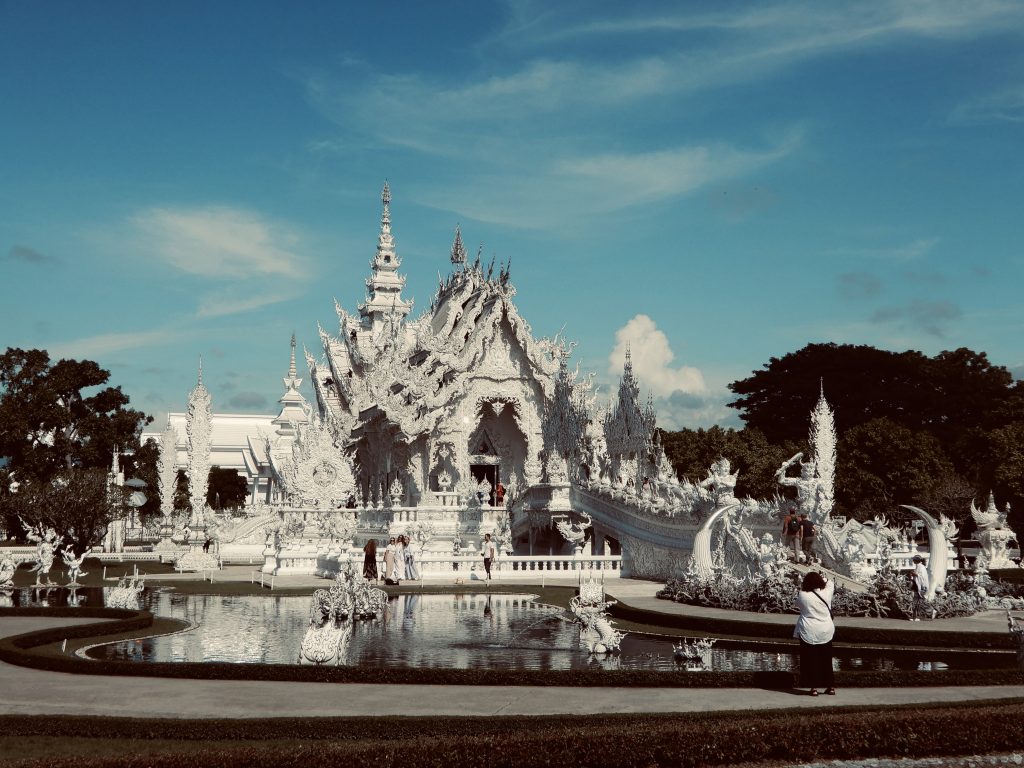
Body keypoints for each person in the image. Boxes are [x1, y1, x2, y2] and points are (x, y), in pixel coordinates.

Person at [794, 570, 835, 696]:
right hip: (825, 630)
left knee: (810, 661)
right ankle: (831, 687)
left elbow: (798, 605)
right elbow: (831, 583)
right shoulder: (827, 592)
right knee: (826, 660)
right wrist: (824, 578)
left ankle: (814, 688)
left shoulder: (803, 595)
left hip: (809, 630)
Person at [910, 554, 934, 621]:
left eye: (914, 559)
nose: (913, 560)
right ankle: (915, 617)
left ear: (916, 560)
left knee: (920, 602)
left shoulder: (921, 567)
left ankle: (931, 611)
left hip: (921, 587)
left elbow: (922, 577)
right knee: (916, 602)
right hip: (917, 586)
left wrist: (915, 574)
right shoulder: (918, 567)